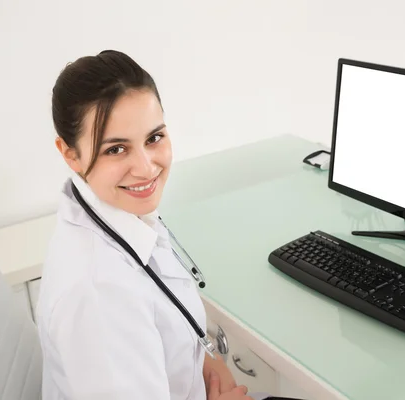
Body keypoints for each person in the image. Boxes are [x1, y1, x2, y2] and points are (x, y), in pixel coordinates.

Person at [36, 50, 253, 400]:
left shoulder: (114, 210)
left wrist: (201, 360)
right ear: (69, 154)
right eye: (116, 150)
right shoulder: (97, 293)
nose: (146, 168)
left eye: (154, 138)